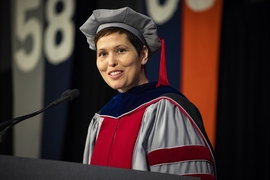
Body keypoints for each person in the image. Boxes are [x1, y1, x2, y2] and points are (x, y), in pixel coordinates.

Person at [80, 7, 216, 180]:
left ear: (143, 55)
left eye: (121, 50)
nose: (111, 62)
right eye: (103, 54)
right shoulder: (100, 120)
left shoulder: (167, 109)